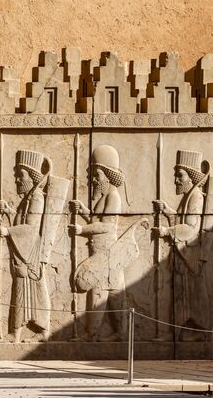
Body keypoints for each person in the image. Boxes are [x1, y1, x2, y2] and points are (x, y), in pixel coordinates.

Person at [68, 145, 125, 342]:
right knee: (108, 294)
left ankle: (96, 334)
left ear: (108, 176)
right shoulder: (104, 197)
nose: (94, 179)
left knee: (103, 293)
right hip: (103, 253)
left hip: (107, 253)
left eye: (97, 174)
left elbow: (106, 226)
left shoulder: (113, 197)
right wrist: (84, 210)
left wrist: (82, 230)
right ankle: (108, 333)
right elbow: (96, 220)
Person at [152, 150, 210, 341]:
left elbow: (191, 229)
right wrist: (168, 210)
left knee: (191, 296)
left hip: (190, 255)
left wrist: (166, 231)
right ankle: (178, 331)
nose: (176, 180)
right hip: (183, 255)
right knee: (181, 294)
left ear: (191, 177)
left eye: (180, 176)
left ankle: (196, 331)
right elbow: (181, 219)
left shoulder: (196, 198)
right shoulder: (188, 197)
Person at [0, 150, 51, 343]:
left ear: (32, 176)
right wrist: (8, 210)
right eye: (16, 176)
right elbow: (21, 219)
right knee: (20, 289)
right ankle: (17, 332)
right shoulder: (27, 199)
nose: (17, 180)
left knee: (31, 291)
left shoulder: (37, 198)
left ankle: (40, 330)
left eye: (21, 175)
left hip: (30, 255)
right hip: (23, 253)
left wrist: (8, 232)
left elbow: (31, 227)